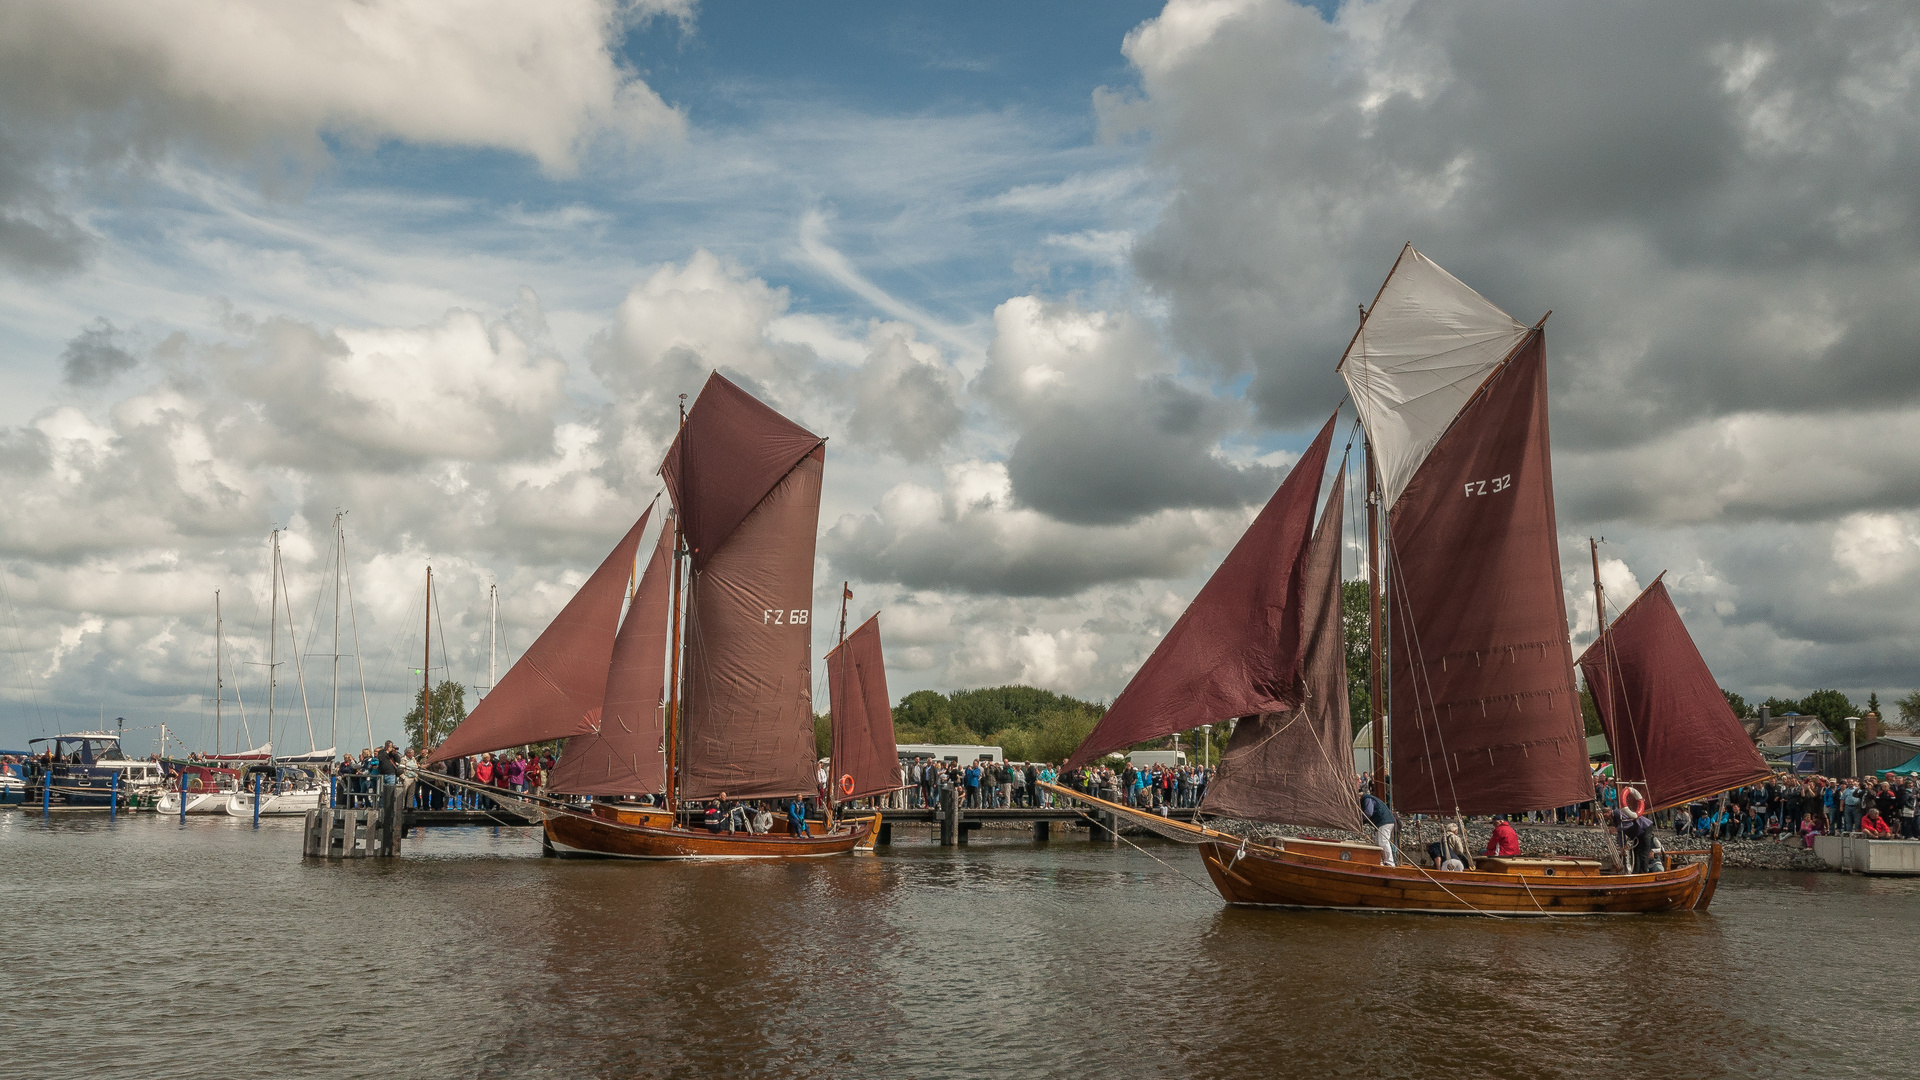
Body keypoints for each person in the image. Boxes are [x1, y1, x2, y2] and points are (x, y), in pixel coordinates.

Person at [1359, 786, 1397, 867]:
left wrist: (1359, 820)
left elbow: (1369, 812)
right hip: (1382, 822)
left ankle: (1390, 863)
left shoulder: (1366, 799)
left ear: (1359, 796)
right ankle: (1380, 862)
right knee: (1377, 842)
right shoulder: (1368, 798)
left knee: (1383, 842)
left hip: (1384, 822)